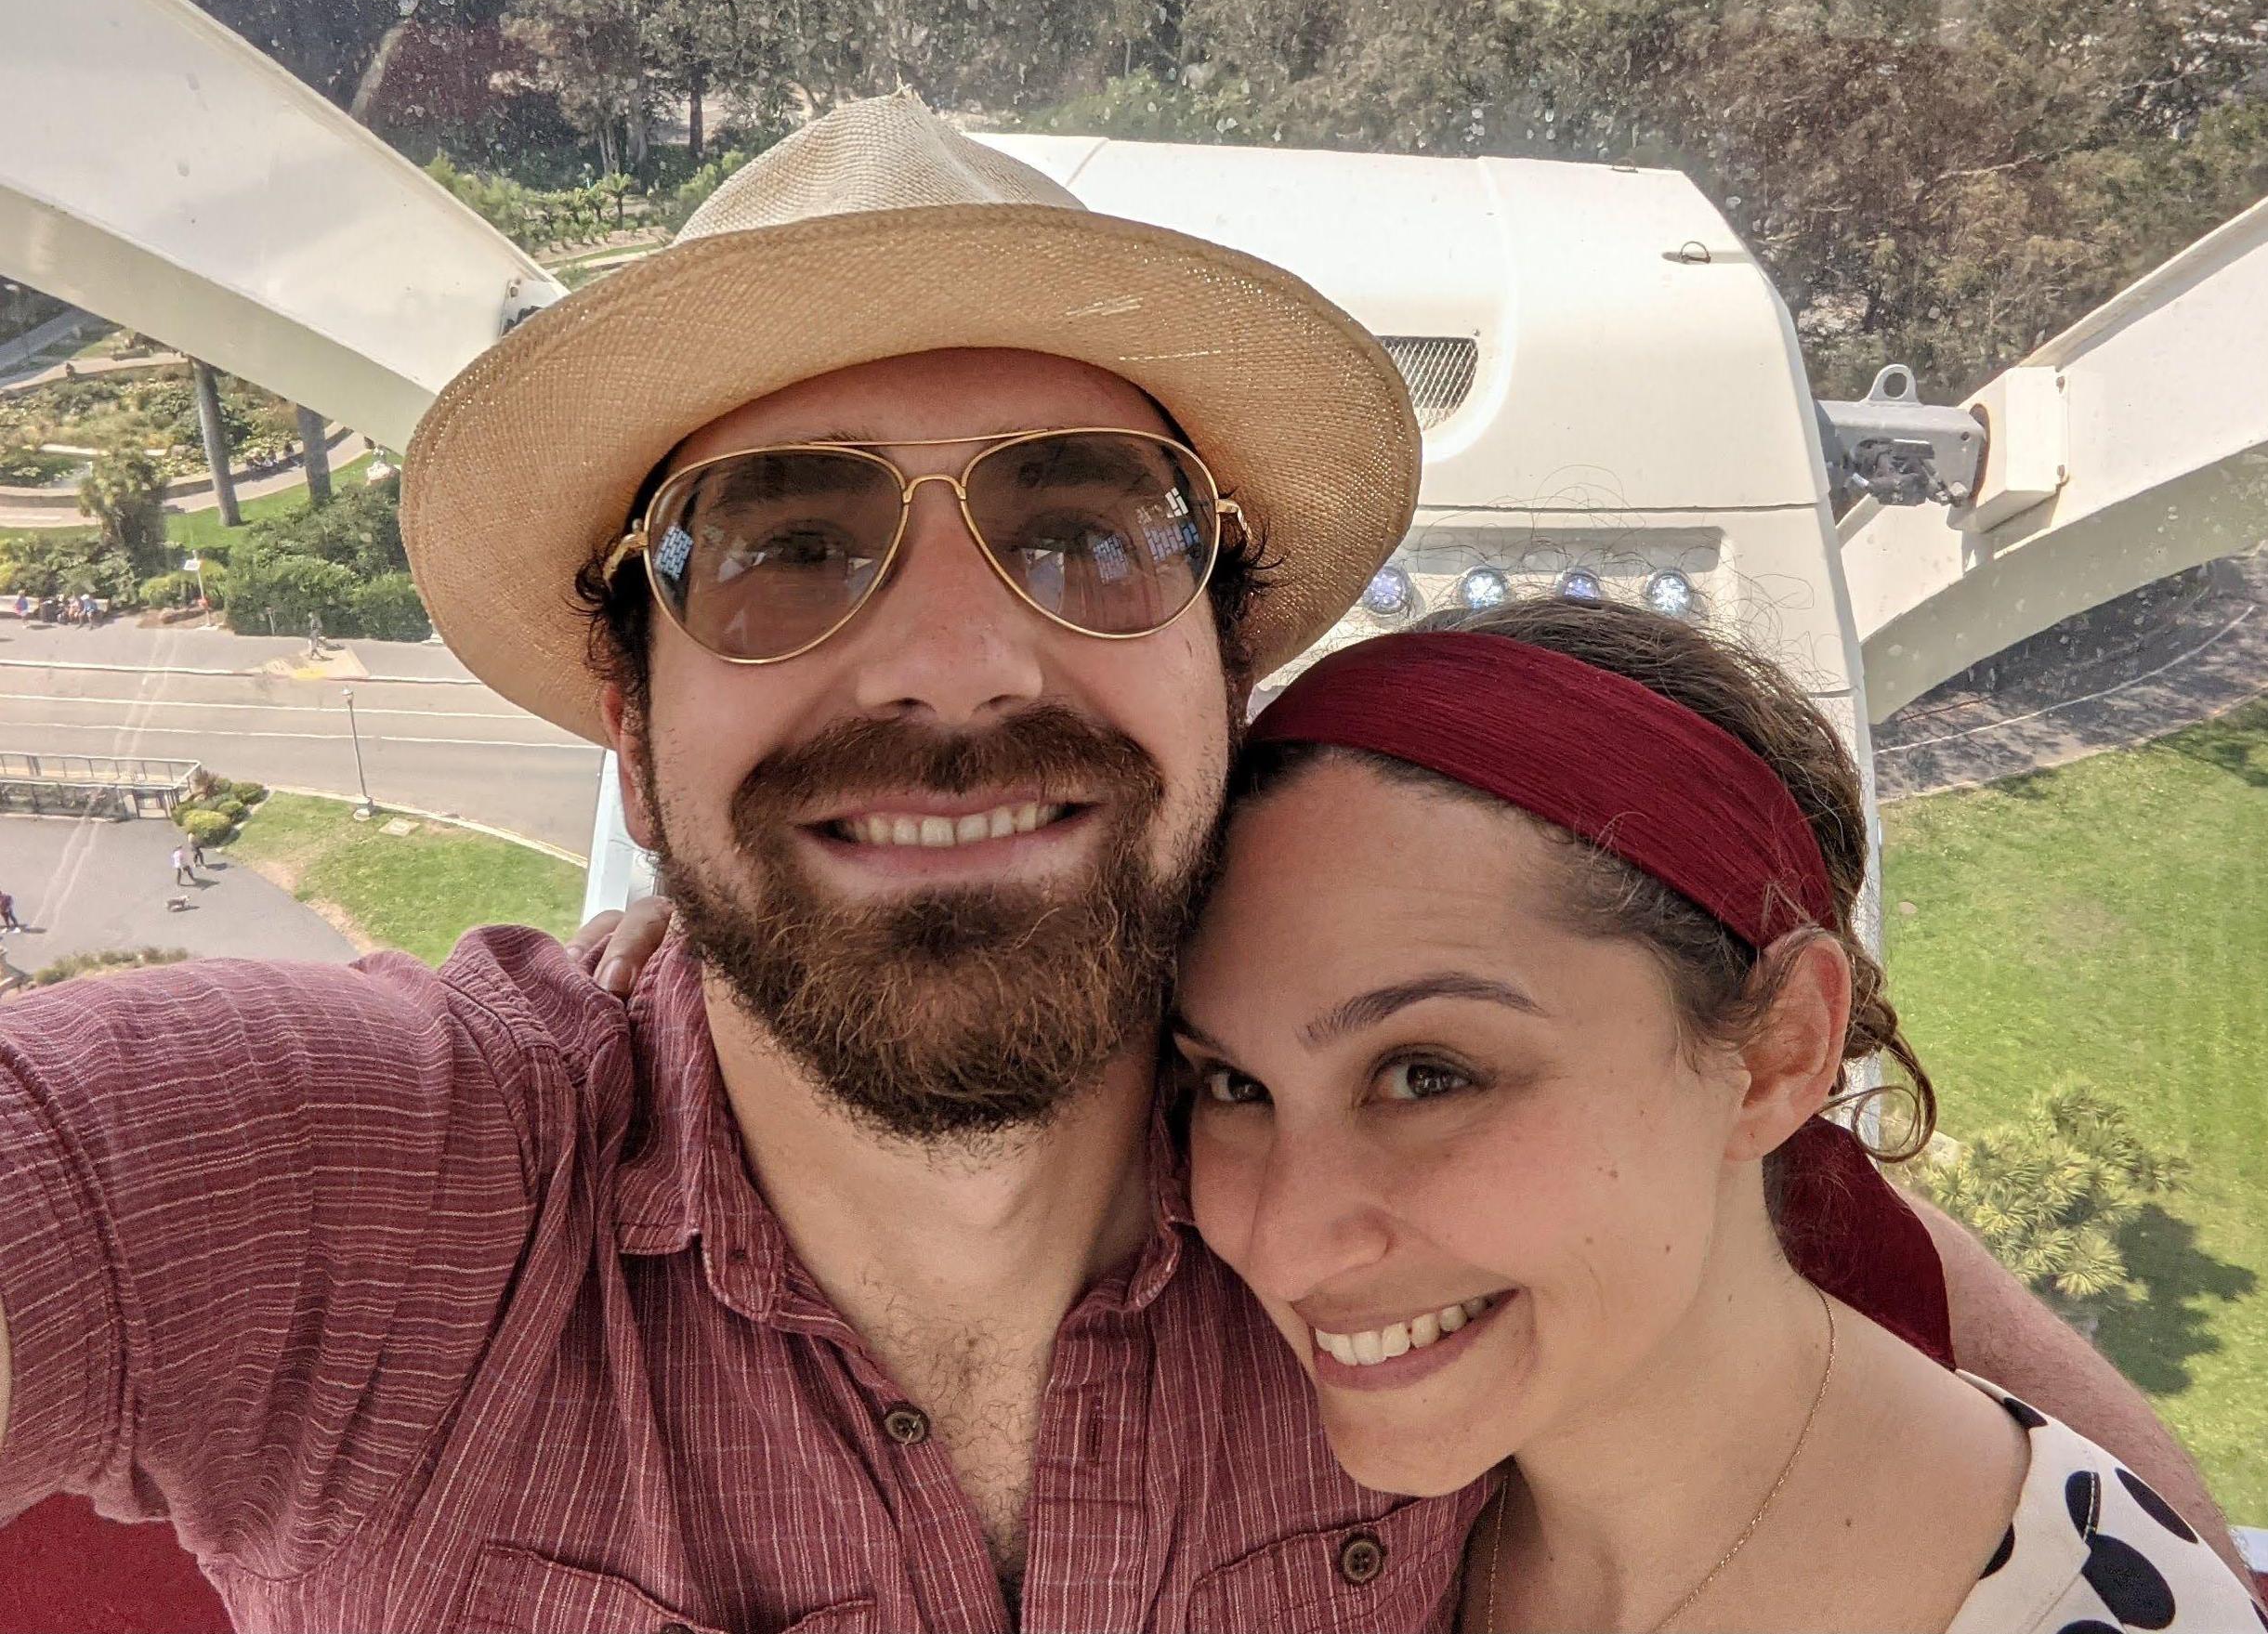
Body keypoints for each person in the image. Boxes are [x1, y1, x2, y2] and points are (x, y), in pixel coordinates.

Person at [0, 95, 2239, 1634]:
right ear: (627, 698)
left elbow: (2123, 1533)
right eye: (783, 548)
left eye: (1089, 528)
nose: (958, 660)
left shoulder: (1413, 1239)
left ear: (1223, 651)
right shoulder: (334, 1182)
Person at [1175, 599, 2262, 1631]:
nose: (1281, 1239)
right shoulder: (1365, 1517)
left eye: (1425, 1074)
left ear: (1776, 1051)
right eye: (1232, 1085)